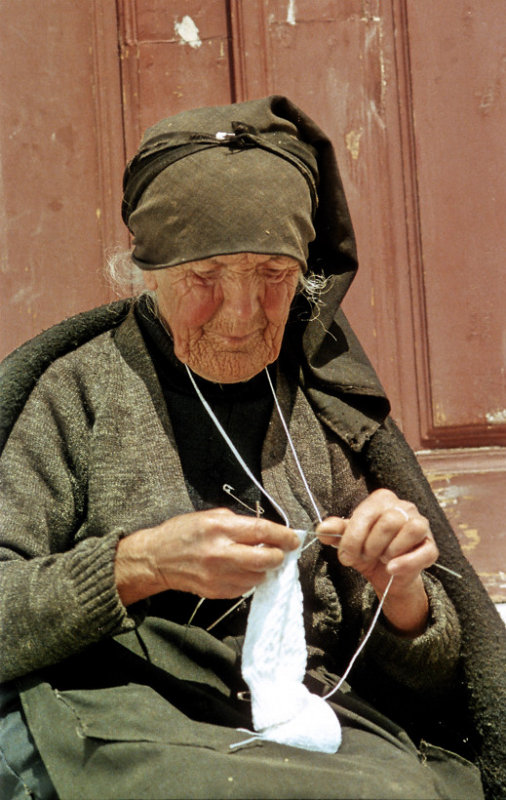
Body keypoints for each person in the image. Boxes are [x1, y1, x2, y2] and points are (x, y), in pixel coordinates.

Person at [0, 96, 504, 800]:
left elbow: (428, 682)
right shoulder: (78, 393)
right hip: (124, 715)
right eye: (204, 278)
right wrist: (137, 564)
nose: (240, 316)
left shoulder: (324, 402)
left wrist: (403, 591)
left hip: (310, 718)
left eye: (271, 276)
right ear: (146, 273)